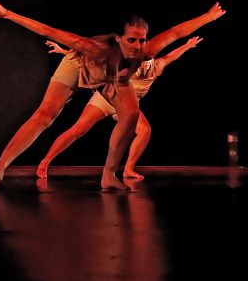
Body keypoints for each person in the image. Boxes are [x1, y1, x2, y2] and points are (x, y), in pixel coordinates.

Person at [0, 0, 225, 190]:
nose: (137, 46)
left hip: (112, 77)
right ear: (118, 39)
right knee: (45, 115)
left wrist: (208, 16)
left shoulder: (145, 51)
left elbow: (176, 32)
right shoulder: (94, 48)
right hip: (79, 67)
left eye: (141, 40)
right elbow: (49, 31)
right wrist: (7, 14)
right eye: (131, 40)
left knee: (131, 114)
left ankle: (109, 174)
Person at [36, 36, 203, 180]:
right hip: (106, 100)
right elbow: (93, 59)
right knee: (78, 130)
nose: (143, 63)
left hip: (127, 107)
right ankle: (46, 161)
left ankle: (128, 169)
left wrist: (187, 45)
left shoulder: (157, 66)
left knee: (145, 131)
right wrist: (63, 51)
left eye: (147, 60)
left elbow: (172, 55)